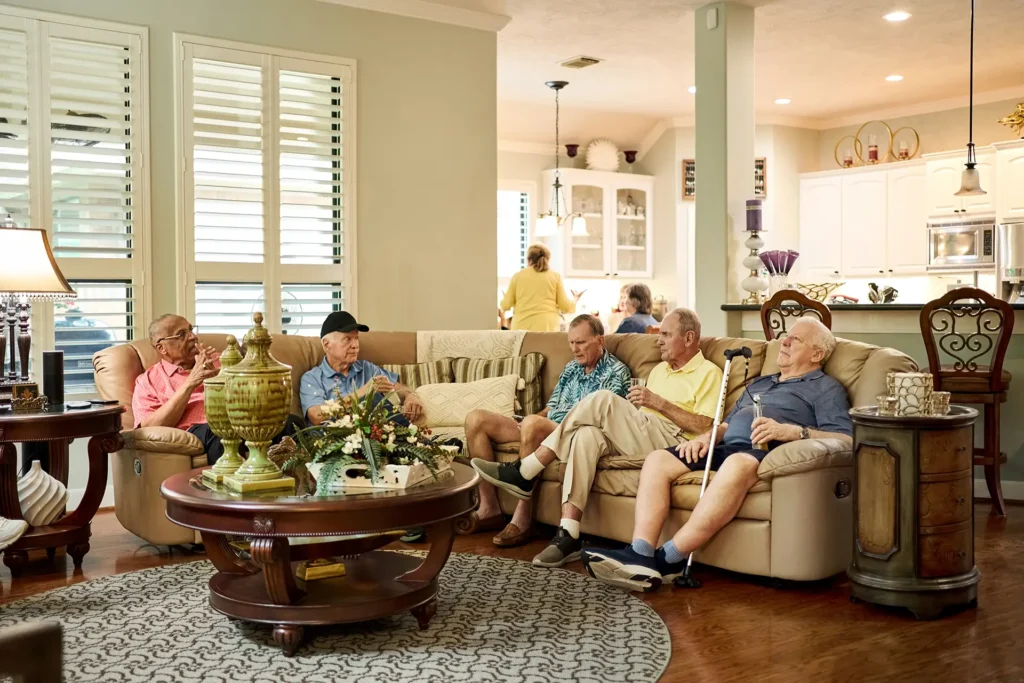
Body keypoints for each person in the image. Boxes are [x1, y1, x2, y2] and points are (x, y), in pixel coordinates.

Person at [582, 318, 853, 592]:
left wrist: (790, 432)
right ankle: (640, 553)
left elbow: (846, 438)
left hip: (766, 452)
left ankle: (667, 560)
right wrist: (705, 438)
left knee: (736, 463)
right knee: (658, 459)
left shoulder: (825, 388)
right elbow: (725, 424)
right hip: (725, 447)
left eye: (795, 340)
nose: (784, 341)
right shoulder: (760, 383)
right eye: (786, 336)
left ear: (817, 354)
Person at [472, 308, 723, 568]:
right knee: (585, 435)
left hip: (673, 440)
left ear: (689, 338)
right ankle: (568, 533)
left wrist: (658, 403)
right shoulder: (660, 370)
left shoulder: (709, 373)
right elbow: (637, 416)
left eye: (666, 335)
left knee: (602, 399)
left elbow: (707, 425)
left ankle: (527, 469)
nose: (658, 340)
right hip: (642, 431)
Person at [462, 314, 631, 545]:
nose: (574, 349)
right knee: (476, 419)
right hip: (547, 426)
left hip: (573, 433)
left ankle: (522, 519)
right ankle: (489, 508)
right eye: (571, 343)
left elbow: (606, 421)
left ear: (600, 341)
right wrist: (532, 418)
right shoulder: (572, 367)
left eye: (580, 342)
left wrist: (535, 424)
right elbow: (552, 407)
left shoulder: (617, 372)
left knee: (534, 425)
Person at [132, 315, 302, 465]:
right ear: (162, 347)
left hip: (243, 419)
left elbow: (253, 392)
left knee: (290, 423)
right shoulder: (148, 381)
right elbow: (149, 426)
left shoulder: (221, 360)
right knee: (220, 430)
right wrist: (191, 382)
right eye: (182, 334)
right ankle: (230, 498)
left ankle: (297, 491)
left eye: (191, 330)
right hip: (202, 430)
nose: (193, 336)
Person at [299, 311, 423, 425]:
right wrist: (364, 392)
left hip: (373, 442)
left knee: (377, 403)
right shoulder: (312, 378)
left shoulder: (367, 368)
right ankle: (419, 443)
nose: (355, 345)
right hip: (336, 442)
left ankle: (418, 443)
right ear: (327, 345)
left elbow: (398, 389)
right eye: (347, 339)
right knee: (373, 399)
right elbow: (316, 416)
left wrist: (410, 396)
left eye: (356, 338)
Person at [500, 244, 584, 332]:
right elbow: (565, 306)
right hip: (548, 328)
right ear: (547, 259)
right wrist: (575, 299)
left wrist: (508, 299)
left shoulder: (518, 276)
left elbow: (505, 305)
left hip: (522, 328)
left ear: (529, 259)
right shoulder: (554, 277)